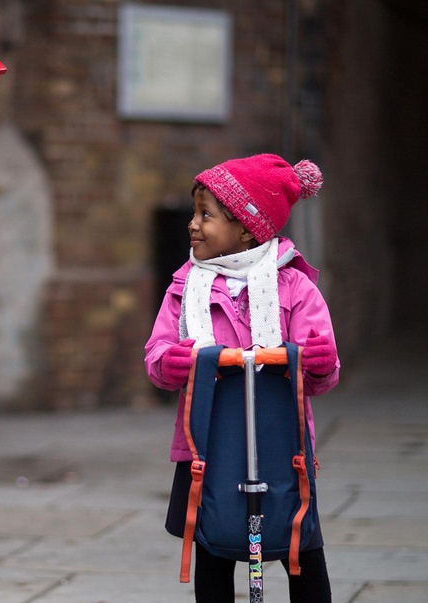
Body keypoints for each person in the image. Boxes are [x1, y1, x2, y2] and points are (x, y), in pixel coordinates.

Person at [144, 153, 339, 603]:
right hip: (208, 442)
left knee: (299, 542)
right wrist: (168, 363)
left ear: (247, 228)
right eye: (194, 213)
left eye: (206, 215)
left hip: (281, 441)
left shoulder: (293, 287)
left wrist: (321, 362)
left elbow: (320, 372)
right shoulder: (184, 286)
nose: (193, 224)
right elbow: (157, 354)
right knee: (213, 540)